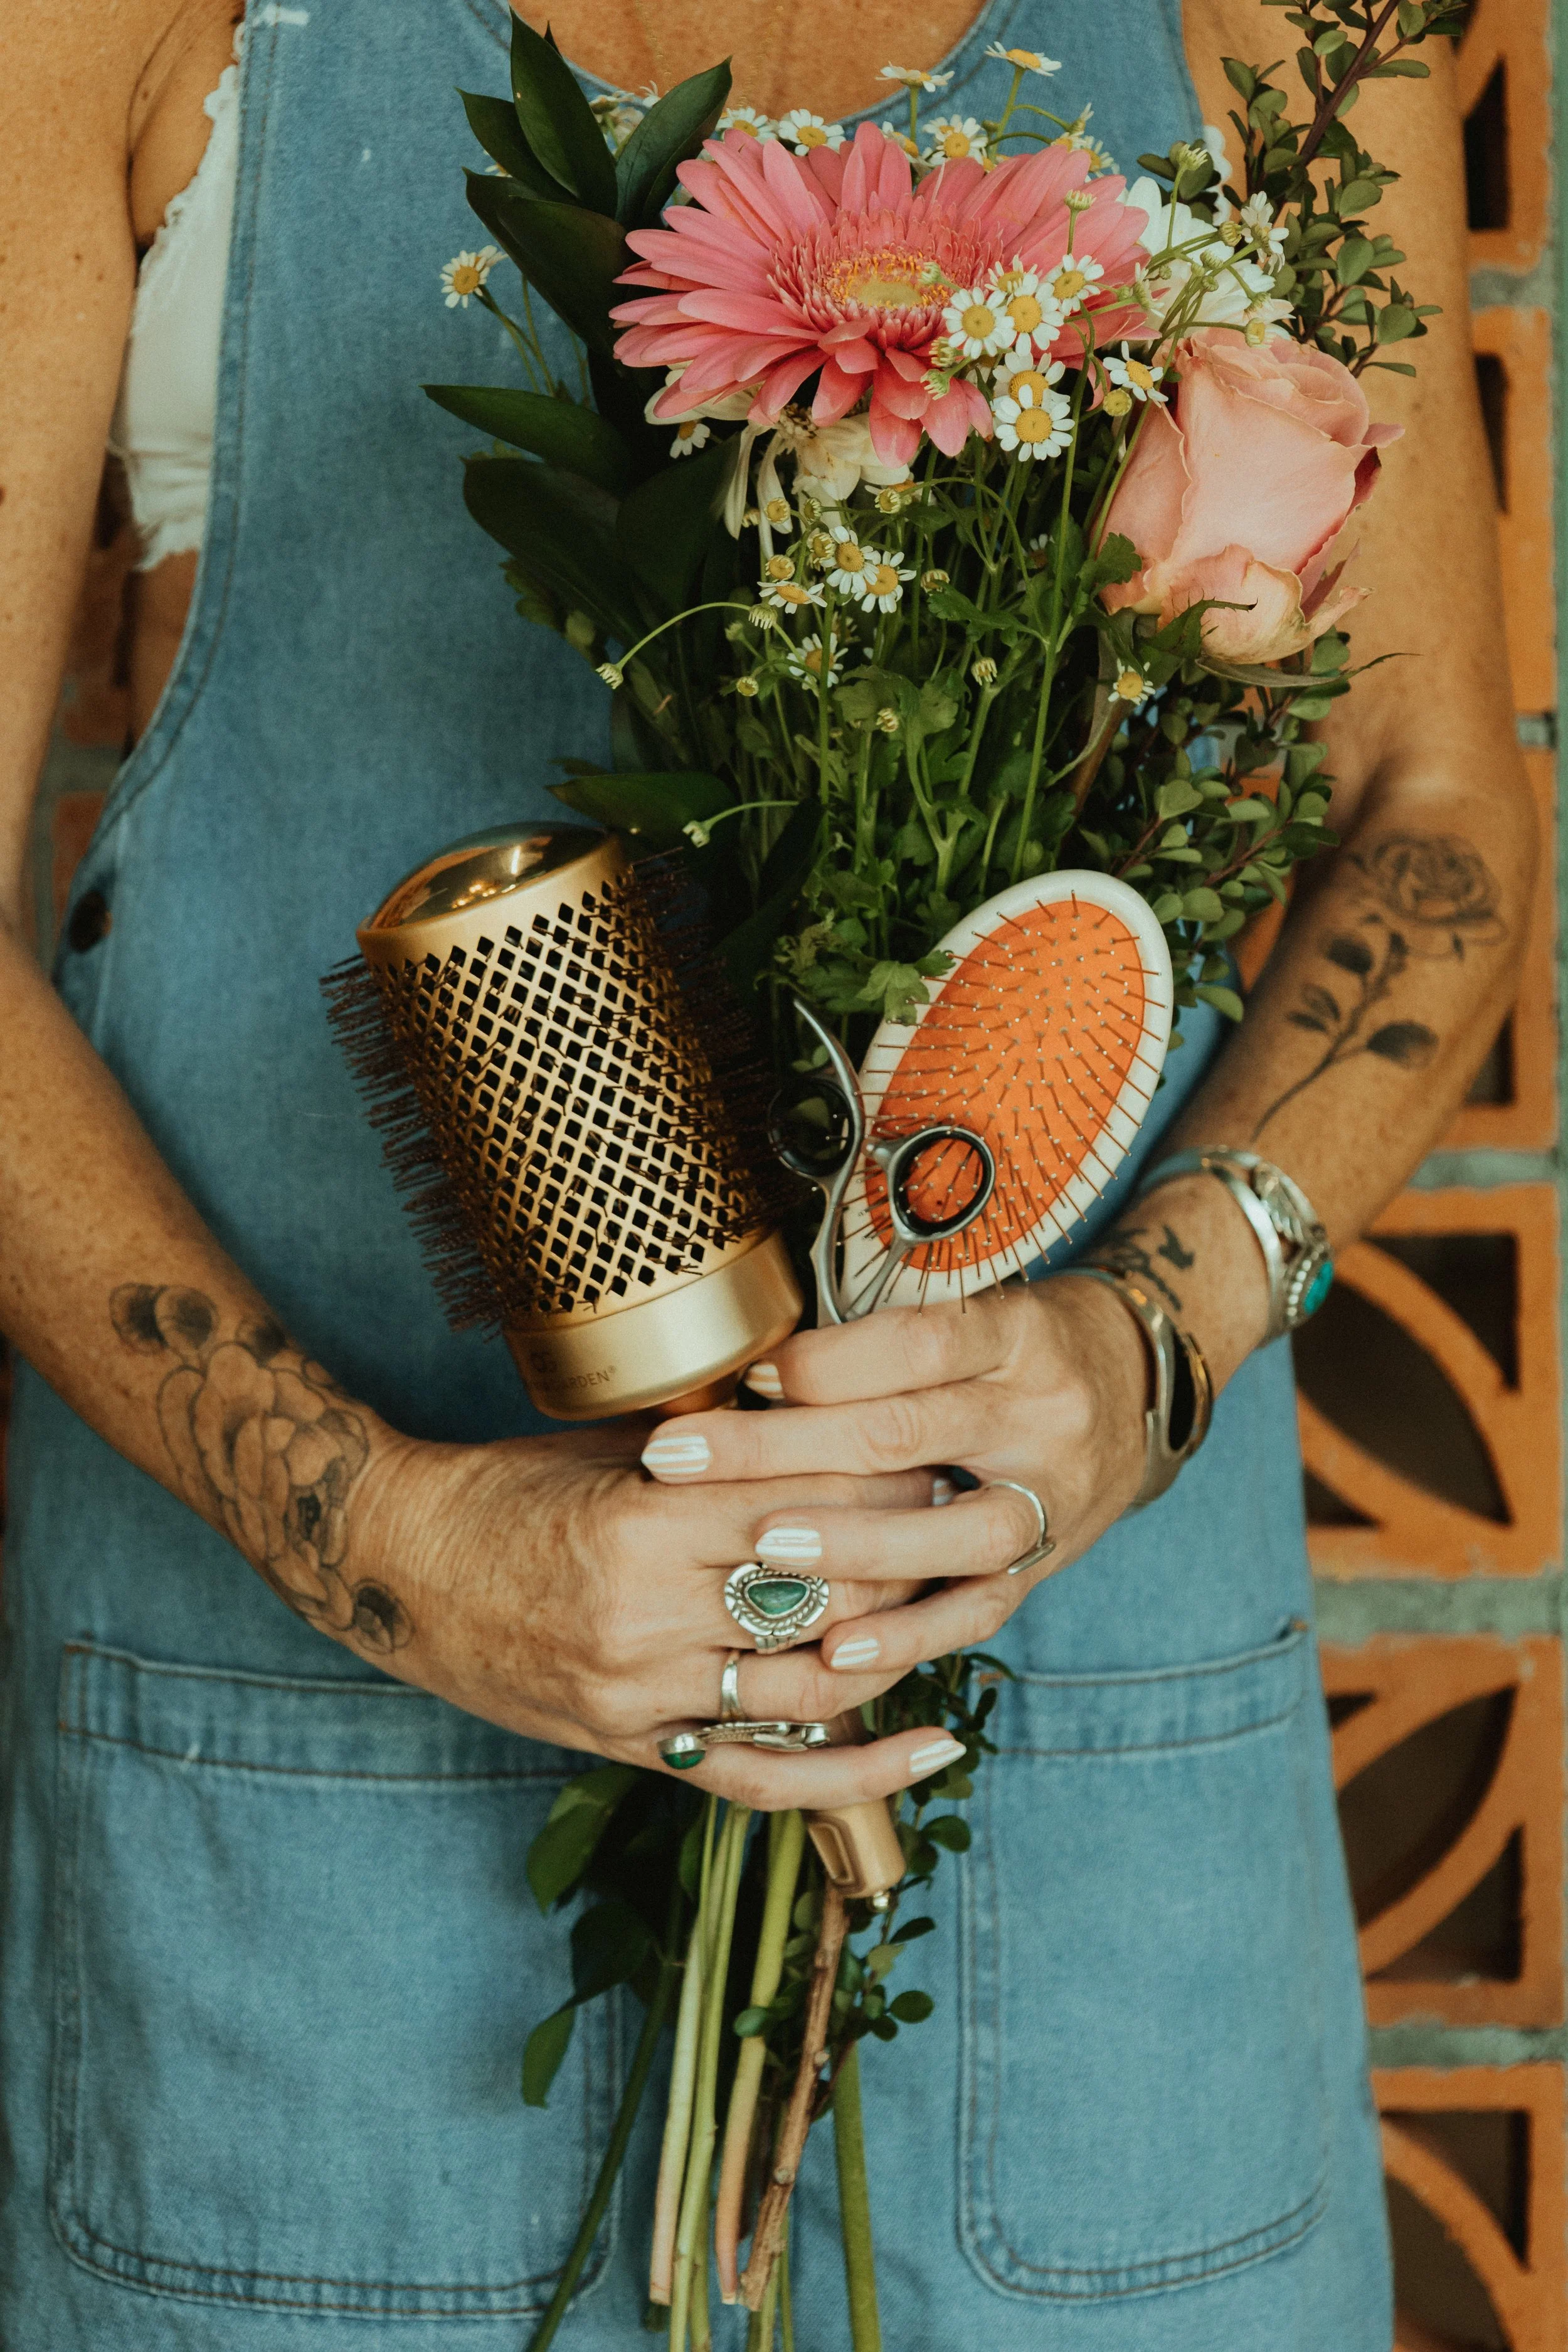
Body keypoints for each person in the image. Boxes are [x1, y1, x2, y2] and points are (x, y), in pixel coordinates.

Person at [0, 0, 1531, 2343]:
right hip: (312, 1829)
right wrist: (387, 1536)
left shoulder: (1296, 27)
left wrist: (1144, 1344)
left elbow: (1430, 810)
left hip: (1074, 1802)